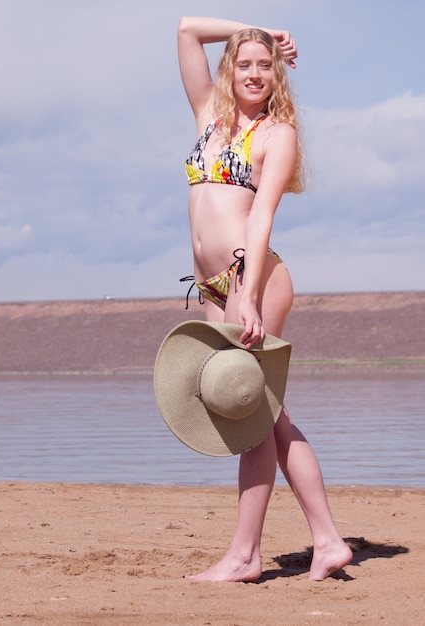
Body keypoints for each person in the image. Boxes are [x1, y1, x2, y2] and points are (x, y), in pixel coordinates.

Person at [177, 15, 352, 582]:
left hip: (254, 281)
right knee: (264, 415)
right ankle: (326, 541)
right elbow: (185, 29)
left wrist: (248, 295)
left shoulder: (278, 134)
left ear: (278, 77)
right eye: (245, 63)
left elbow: (261, 219)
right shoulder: (209, 115)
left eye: (266, 66)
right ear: (231, 68)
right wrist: (264, 30)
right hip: (214, 287)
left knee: (255, 416)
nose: (255, 74)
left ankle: (246, 556)